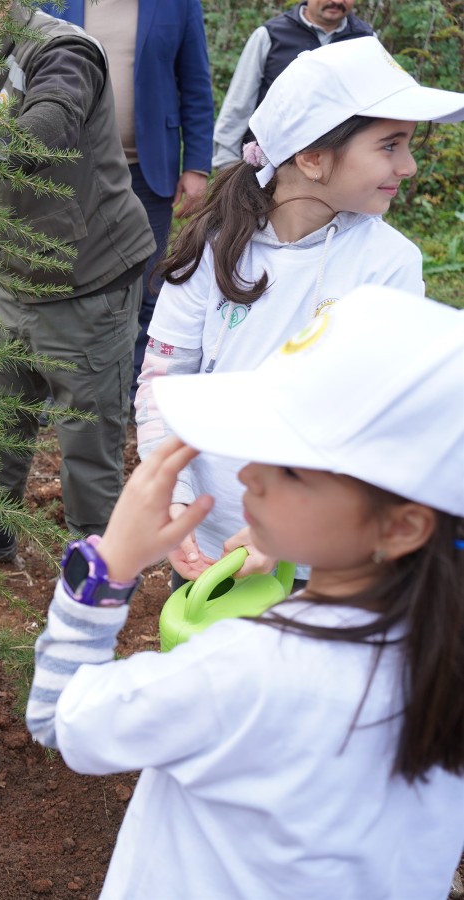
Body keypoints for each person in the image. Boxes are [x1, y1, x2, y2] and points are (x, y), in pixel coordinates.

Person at [27, 287, 464, 897]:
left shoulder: (250, 671)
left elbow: (59, 717)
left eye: (288, 467)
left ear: (403, 525)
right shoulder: (439, 651)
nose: (249, 474)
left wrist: (110, 566)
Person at [136, 37, 464, 586]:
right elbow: (163, 382)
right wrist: (173, 497)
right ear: (311, 157)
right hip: (212, 540)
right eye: (389, 145)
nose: (407, 166)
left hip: (325, 557)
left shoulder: (389, 264)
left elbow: (375, 421)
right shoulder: (215, 249)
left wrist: (282, 531)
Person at [0, 7, 154, 563]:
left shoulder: (62, 50)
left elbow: (52, 119)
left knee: (87, 435)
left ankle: (97, 563)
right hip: (13, 272)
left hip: (86, 277)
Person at [46, 0, 214, 395]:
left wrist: (197, 167)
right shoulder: (56, 5)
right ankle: (67, 386)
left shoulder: (178, 5)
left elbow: (195, 85)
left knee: (143, 284)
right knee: (66, 278)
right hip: (69, 167)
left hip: (147, 170)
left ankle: (135, 388)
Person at [212, 0, 374, 170]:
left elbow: (374, 107)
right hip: (270, 166)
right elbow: (239, 103)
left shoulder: (366, 40)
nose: (337, 1)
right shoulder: (271, 35)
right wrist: (226, 161)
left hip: (339, 167)